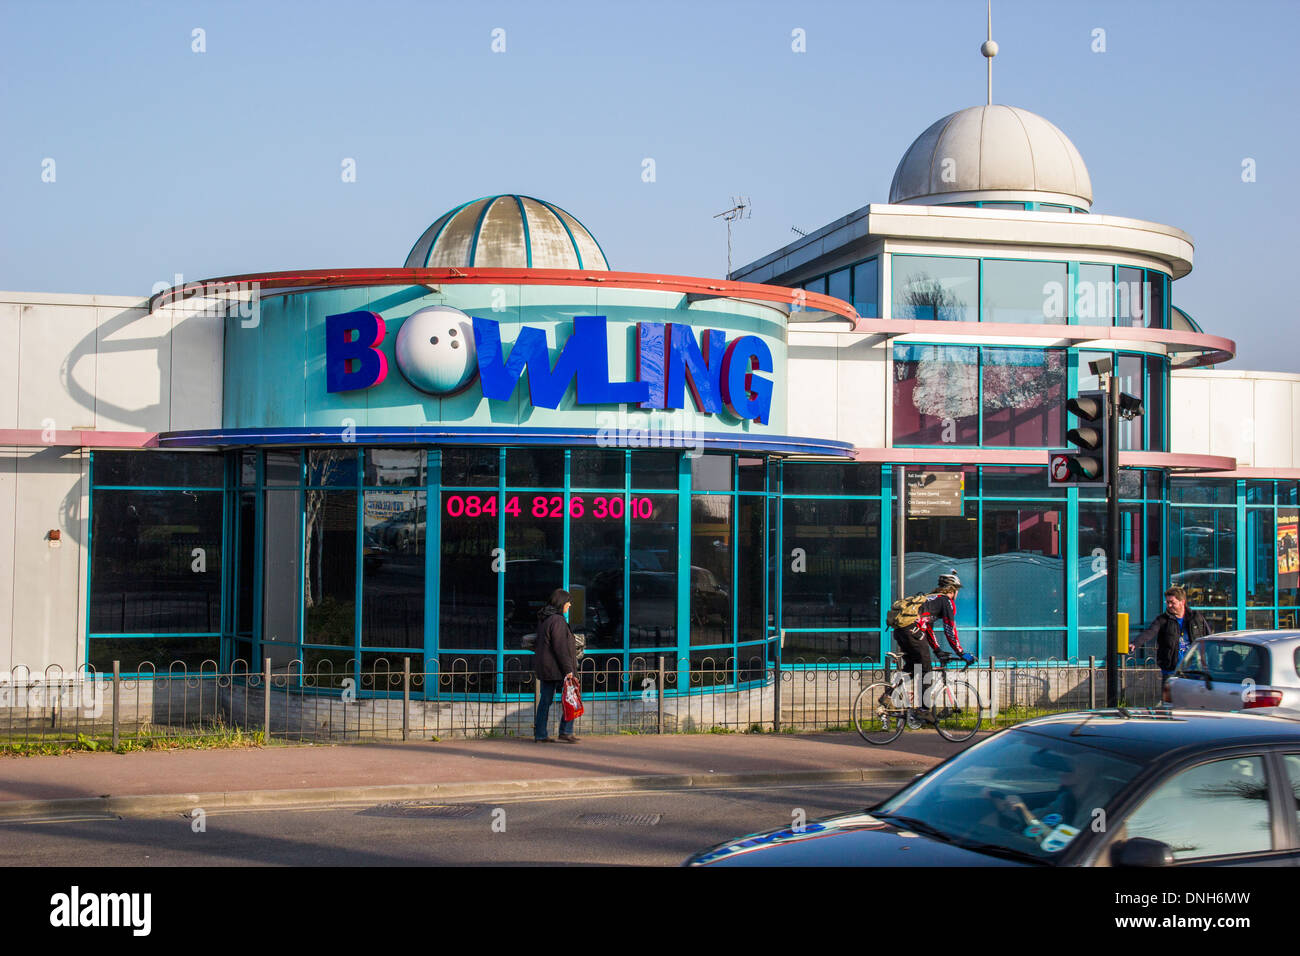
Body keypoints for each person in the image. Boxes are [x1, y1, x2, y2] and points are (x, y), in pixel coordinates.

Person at [891, 570, 975, 710]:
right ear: (953, 590)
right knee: (926, 669)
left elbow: (928, 629)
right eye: (957, 591)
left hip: (900, 631)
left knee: (912, 667)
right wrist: (961, 652)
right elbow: (950, 629)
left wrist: (937, 650)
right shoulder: (946, 601)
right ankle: (924, 710)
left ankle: (888, 695)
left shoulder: (929, 598)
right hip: (912, 631)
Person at [533, 588, 580, 743]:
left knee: (546, 700)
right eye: (568, 602)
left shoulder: (545, 618)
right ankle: (565, 731)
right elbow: (560, 648)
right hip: (557, 668)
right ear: (561, 603)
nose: (570, 605)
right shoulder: (558, 621)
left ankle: (541, 733)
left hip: (547, 667)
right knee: (570, 698)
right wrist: (569, 670)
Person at [1138, 585, 1211, 683]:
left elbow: (1208, 636)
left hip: (1194, 669)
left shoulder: (1196, 617)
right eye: (1167, 602)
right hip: (1171, 670)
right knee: (1170, 698)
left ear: (1182, 602)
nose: (1169, 606)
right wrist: (1135, 643)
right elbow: (1150, 632)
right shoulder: (1163, 620)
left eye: (1172, 602)